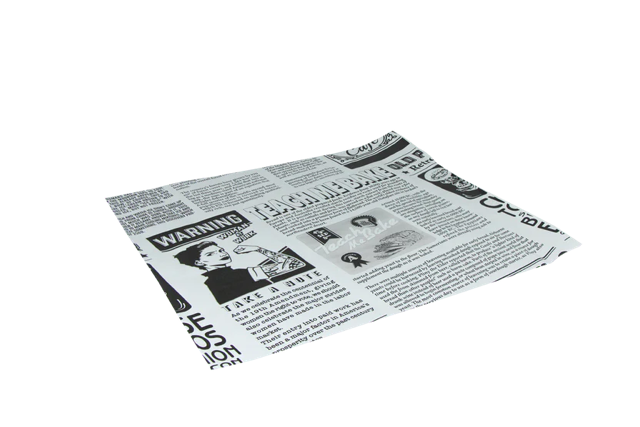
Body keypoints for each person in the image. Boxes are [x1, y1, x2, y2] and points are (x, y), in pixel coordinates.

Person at [174, 241, 304, 304]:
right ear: (199, 262)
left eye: (221, 250)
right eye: (210, 254)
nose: (222, 254)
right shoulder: (237, 275)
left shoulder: (210, 282)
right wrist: (258, 249)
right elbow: (295, 263)